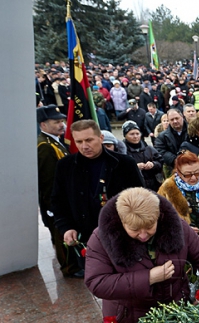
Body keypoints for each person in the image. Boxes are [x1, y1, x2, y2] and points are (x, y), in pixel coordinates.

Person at [84, 187, 199, 323]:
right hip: (131, 319)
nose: (143, 235)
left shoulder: (177, 226)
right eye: (135, 229)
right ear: (122, 221)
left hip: (177, 310)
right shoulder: (100, 238)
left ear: (158, 217)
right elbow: (97, 283)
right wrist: (149, 277)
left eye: (149, 227)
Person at [51, 119, 144, 278]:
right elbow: (58, 202)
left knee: (130, 281)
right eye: (79, 141)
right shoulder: (65, 166)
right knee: (103, 285)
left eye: (89, 140)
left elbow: (142, 199)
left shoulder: (124, 164)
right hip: (87, 240)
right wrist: (66, 227)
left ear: (101, 138)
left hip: (123, 239)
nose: (84, 146)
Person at [36, 105, 75, 276]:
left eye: (62, 121)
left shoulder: (55, 141)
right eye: (56, 122)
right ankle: (69, 268)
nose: (62, 125)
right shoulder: (45, 146)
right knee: (61, 236)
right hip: (56, 201)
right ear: (43, 125)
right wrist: (52, 206)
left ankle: (75, 264)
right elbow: (48, 180)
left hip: (65, 197)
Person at [123, 121, 163, 191]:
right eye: (131, 134)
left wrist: (153, 164)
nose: (135, 136)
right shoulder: (123, 151)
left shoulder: (149, 149)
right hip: (133, 188)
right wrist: (134, 167)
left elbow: (160, 162)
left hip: (153, 186)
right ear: (125, 135)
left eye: (137, 134)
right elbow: (120, 170)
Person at [155, 108, 188, 177]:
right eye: (172, 120)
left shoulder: (192, 131)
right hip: (173, 168)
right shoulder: (162, 136)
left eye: (177, 118)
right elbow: (161, 151)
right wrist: (175, 160)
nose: (175, 121)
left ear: (182, 117)